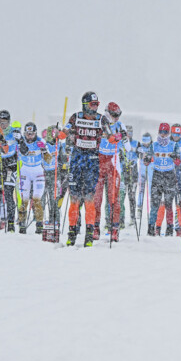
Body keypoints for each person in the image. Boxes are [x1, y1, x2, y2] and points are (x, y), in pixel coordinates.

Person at [64, 91, 107, 246]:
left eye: (96, 104)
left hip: (92, 160)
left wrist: (115, 138)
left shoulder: (101, 119)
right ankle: (72, 232)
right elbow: (65, 130)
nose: (95, 107)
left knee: (89, 198)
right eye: (92, 104)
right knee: (74, 199)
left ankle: (89, 233)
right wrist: (60, 133)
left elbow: (109, 134)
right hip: (77, 159)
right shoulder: (76, 117)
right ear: (85, 104)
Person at [94, 102, 130, 243]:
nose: (116, 118)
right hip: (99, 161)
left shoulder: (120, 125)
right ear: (107, 113)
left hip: (113, 161)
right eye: (114, 115)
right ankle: (95, 227)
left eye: (118, 115)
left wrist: (124, 138)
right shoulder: (99, 123)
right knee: (97, 198)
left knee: (114, 197)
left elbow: (128, 148)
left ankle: (114, 228)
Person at [17, 122, 52, 234]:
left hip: (38, 171)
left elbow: (49, 160)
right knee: (24, 199)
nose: (29, 136)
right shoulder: (21, 141)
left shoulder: (40, 141)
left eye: (32, 134)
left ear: (35, 133)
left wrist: (44, 150)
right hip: (25, 171)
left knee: (37, 199)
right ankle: (22, 224)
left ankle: (39, 224)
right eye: (27, 134)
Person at [147, 123, 178, 236]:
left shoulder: (173, 145)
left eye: (165, 132)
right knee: (155, 204)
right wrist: (146, 159)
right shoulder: (154, 145)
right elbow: (147, 159)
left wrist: (176, 158)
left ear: (169, 133)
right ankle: (151, 228)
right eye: (161, 132)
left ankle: (169, 229)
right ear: (158, 132)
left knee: (169, 204)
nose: (163, 135)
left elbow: (179, 161)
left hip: (169, 176)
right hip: (157, 175)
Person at [0, 110, 19, 232]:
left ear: (9, 122)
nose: (2, 125)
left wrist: (20, 140)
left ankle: (11, 223)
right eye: (0, 122)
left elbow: (23, 148)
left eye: (5, 122)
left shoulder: (14, 132)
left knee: (9, 194)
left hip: (11, 165)